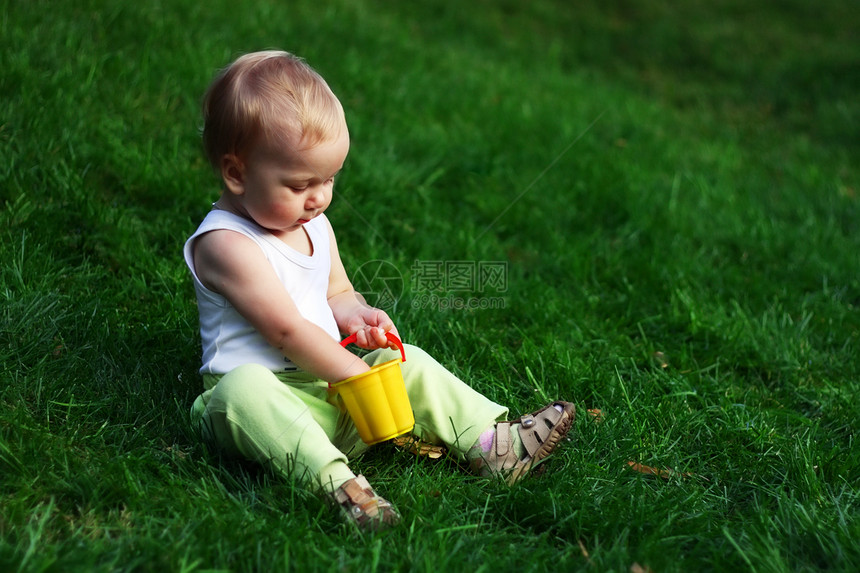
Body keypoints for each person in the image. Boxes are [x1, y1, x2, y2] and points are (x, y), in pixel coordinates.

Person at [183, 50, 575, 531]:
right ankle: (338, 486)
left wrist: (357, 315)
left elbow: (337, 292)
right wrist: (351, 372)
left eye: (329, 179)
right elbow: (284, 331)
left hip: (327, 393)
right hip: (258, 417)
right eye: (300, 183)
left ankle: (493, 446)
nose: (320, 197)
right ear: (237, 173)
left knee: (402, 359)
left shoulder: (314, 226)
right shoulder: (226, 244)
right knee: (245, 388)